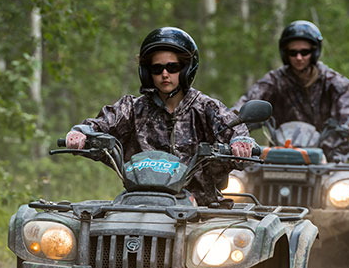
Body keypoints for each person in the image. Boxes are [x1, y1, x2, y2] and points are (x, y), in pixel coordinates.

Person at [65, 26, 254, 206]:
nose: (165, 74)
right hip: (140, 205)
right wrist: (81, 133)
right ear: (148, 73)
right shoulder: (132, 108)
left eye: (173, 67)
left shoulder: (206, 107)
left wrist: (241, 142)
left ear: (187, 68)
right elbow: (103, 123)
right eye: (157, 68)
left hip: (201, 210)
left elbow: (233, 127)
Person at [233, 19, 349, 161]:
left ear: (315, 52)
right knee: (239, 177)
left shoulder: (334, 82)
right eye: (293, 52)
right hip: (280, 154)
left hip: (329, 158)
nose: (299, 57)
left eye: (305, 52)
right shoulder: (274, 80)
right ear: (285, 53)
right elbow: (247, 104)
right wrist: (231, 121)